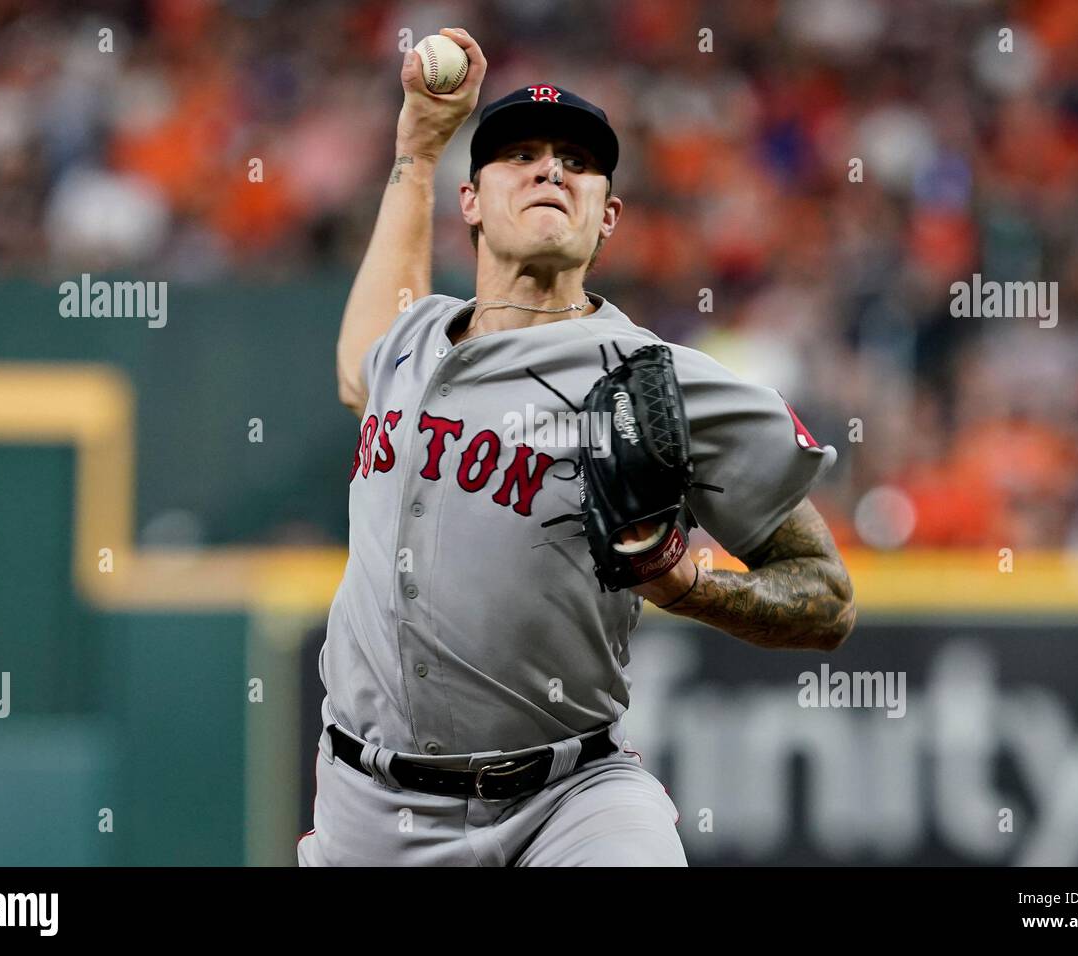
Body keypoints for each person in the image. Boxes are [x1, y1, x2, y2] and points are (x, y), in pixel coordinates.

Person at [298, 27, 855, 867]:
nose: (550, 168)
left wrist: (688, 584)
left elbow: (827, 598)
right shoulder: (412, 341)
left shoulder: (656, 383)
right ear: (472, 203)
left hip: (570, 801)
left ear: (608, 218)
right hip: (369, 808)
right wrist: (417, 148)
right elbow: (356, 367)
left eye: (576, 161)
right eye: (519, 154)